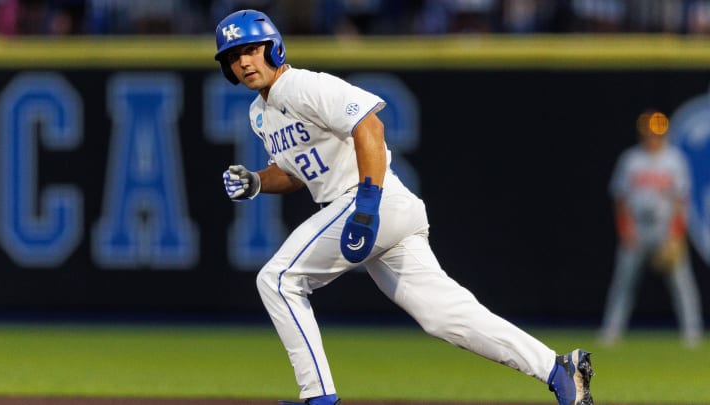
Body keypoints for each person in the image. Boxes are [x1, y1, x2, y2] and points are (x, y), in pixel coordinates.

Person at [214, 9, 594, 405]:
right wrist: (259, 180)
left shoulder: (300, 85)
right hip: (377, 208)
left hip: (370, 199)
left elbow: (370, 126)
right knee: (446, 315)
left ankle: (318, 397)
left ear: (274, 48)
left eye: (252, 49)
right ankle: (557, 368)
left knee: (278, 280)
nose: (243, 61)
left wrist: (366, 205)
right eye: (233, 56)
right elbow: (295, 173)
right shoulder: (260, 114)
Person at [599, 109, 703, 348]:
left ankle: (692, 332)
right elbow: (621, 198)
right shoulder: (631, 159)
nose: (652, 137)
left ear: (664, 134)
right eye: (649, 133)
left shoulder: (674, 159)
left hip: (665, 229)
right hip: (637, 229)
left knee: (682, 284)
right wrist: (625, 230)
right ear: (641, 134)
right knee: (624, 282)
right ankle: (611, 331)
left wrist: (676, 235)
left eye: (657, 133)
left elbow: (680, 200)